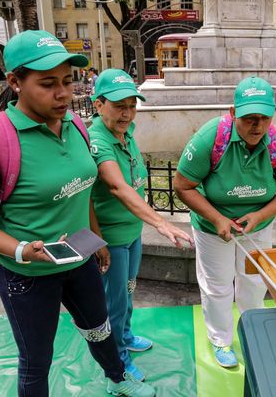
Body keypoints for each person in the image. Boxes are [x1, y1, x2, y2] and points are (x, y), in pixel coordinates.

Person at [0, 30, 154, 397]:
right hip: (27, 275)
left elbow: (83, 192)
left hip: (80, 260)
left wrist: (97, 239)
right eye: (48, 84)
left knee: (101, 329)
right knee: (36, 359)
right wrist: (19, 249)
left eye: (67, 81)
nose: (63, 94)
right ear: (14, 82)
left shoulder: (76, 126)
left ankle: (118, 378)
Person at [174, 76, 276, 367]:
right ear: (233, 113)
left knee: (254, 282)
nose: (257, 127)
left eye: (264, 118)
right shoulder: (210, 138)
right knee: (217, 284)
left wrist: (259, 215)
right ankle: (220, 339)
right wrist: (217, 219)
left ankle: (252, 330)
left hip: (257, 226)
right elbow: (182, 185)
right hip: (212, 227)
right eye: (249, 119)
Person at [89, 68, 193, 380]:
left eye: (132, 105)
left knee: (129, 291)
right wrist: (161, 223)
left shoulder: (126, 133)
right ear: (98, 104)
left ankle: (127, 337)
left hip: (132, 232)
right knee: (115, 302)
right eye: (119, 106)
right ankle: (118, 360)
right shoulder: (97, 140)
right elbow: (117, 187)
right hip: (112, 238)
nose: (127, 113)